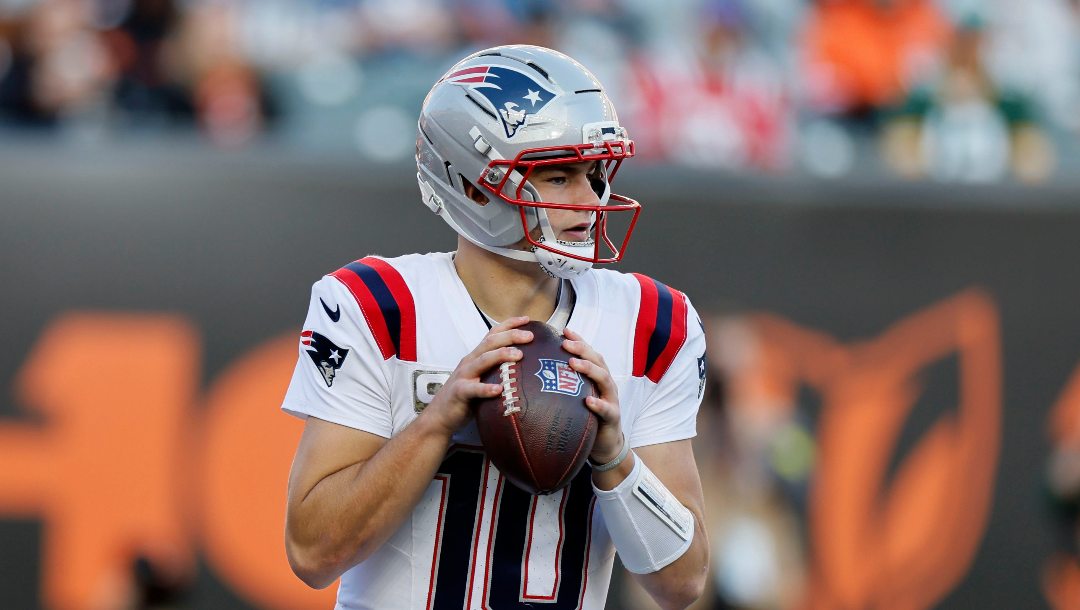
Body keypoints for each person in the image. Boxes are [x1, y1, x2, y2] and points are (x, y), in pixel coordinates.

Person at [281, 44, 710, 610]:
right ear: (474, 185)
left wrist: (613, 455)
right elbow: (313, 553)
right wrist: (435, 424)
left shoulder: (653, 323)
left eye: (594, 173)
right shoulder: (379, 308)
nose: (590, 200)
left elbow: (683, 585)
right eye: (557, 177)